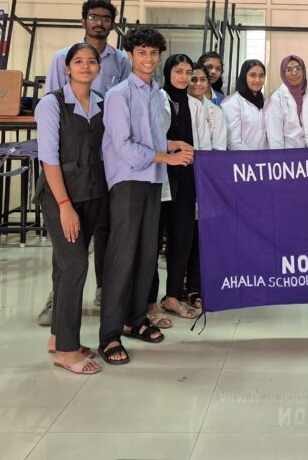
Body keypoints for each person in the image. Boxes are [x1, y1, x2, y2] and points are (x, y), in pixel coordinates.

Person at [98, 27, 194, 366]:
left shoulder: (156, 93)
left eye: (154, 52)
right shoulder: (119, 94)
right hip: (128, 180)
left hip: (153, 179)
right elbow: (123, 144)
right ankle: (109, 335)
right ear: (130, 54)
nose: (149, 58)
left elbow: (152, 137)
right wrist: (166, 157)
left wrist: (172, 145)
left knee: (146, 255)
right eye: (142, 52)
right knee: (123, 257)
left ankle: (135, 320)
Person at [38, 0, 129, 326]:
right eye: (93, 16)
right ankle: (59, 299)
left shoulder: (121, 62)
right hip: (67, 171)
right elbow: (54, 115)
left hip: (101, 170)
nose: (99, 22)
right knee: (69, 249)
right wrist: (63, 200)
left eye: (105, 18)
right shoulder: (59, 63)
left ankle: (104, 290)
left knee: (103, 234)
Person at [34, 42, 107, 375]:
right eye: (78, 61)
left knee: (65, 266)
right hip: (60, 198)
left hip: (91, 194)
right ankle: (66, 350)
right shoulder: (51, 104)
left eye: (91, 61)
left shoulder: (102, 102)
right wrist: (65, 206)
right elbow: (49, 159)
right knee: (75, 264)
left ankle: (57, 337)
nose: (85, 66)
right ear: (67, 67)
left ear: (98, 67)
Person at [153, 54, 209, 323]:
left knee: (182, 239)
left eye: (188, 72)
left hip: (186, 180)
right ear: (168, 72)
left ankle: (173, 296)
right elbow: (149, 137)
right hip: (158, 178)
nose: (184, 77)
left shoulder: (194, 105)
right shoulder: (157, 99)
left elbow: (202, 143)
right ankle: (147, 301)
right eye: (178, 71)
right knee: (152, 244)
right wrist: (172, 147)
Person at [183, 63, 227, 309]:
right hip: (184, 177)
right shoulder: (180, 106)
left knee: (203, 236)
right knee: (184, 235)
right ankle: (180, 286)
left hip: (208, 179)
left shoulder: (215, 111)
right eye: (194, 79)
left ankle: (197, 286)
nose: (198, 84)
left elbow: (219, 147)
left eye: (202, 80)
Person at [222, 59, 269, 150]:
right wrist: (252, 158)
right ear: (244, 76)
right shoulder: (231, 103)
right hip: (243, 158)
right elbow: (233, 142)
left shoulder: (265, 102)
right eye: (252, 75)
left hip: (265, 157)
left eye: (261, 75)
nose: (257, 80)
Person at [266, 55, 308, 149]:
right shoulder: (276, 99)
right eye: (288, 70)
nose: (294, 73)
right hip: (286, 154)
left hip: (307, 154)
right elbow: (275, 137)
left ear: (303, 71)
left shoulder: (307, 95)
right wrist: (280, 157)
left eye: (298, 69)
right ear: (283, 73)